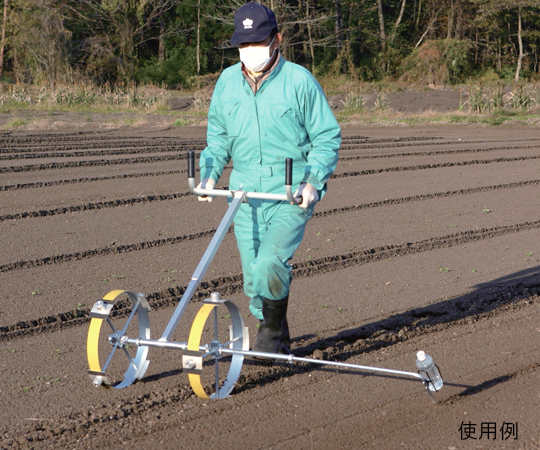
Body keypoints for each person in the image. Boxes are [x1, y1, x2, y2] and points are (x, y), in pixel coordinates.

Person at [197, 1, 341, 355]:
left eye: (258, 43)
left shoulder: (299, 81)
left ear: (277, 40)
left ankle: (272, 340)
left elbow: (326, 136)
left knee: (269, 263)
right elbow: (217, 135)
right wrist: (209, 175)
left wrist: (313, 181)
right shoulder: (228, 82)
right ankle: (275, 327)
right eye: (244, 45)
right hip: (244, 192)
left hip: (290, 191)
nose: (250, 52)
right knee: (253, 279)